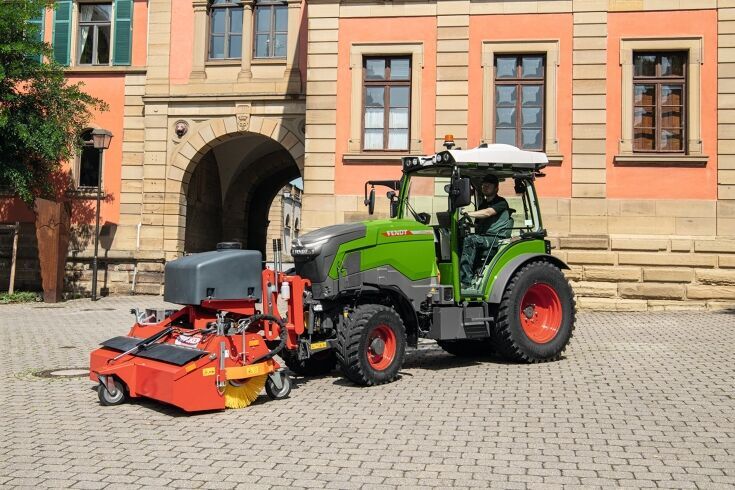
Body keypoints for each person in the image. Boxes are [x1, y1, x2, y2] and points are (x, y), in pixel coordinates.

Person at [459, 174, 510, 287]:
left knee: (471, 240)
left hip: (496, 238)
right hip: (484, 236)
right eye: (483, 184)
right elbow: (477, 225)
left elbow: (488, 213)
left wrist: (467, 213)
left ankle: (465, 280)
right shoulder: (483, 204)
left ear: (496, 188)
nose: (485, 186)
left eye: (489, 184)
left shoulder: (501, 202)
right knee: (461, 238)